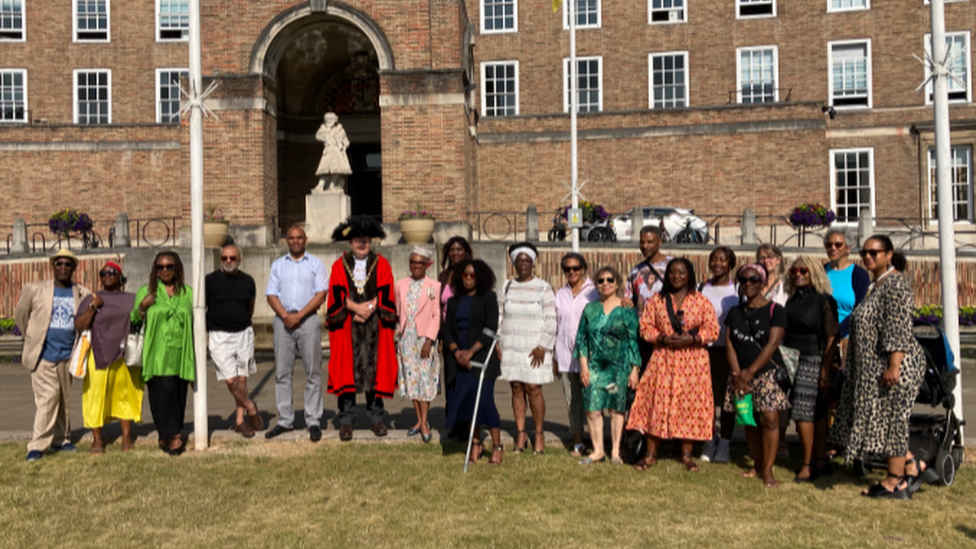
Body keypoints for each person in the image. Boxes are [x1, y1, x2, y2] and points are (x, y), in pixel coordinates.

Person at [829, 236, 926, 499]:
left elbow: (898, 328)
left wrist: (894, 365)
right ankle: (911, 464)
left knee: (893, 420)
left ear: (889, 254)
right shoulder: (876, 284)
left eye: (875, 252)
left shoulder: (895, 285)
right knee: (879, 420)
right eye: (865, 252)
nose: (868, 256)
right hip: (875, 366)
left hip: (897, 365)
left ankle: (894, 482)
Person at [628, 258, 719, 472]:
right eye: (672, 273)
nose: (676, 277)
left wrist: (693, 339)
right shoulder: (657, 301)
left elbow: (713, 329)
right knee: (655, 403)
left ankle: (686, 456)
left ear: (690, 275)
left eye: (681, 273)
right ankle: (650, 454)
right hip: (663, 359)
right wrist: (661, 339)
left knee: (689, 405)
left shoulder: (701, 301)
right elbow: (645, 327)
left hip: (693, 362)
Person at [325, 216, 398, 441]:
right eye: (358, 240)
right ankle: (346, 421)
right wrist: (355, 307)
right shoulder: (339, 265)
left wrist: (369, 307)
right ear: (350, 242)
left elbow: (386, 292)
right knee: (348, 372)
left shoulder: (382, 263)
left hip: (375, 326)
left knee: (374, 373)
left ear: (370, 241)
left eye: (365, 240)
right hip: (348, 328)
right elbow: (336, 296)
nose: (362, 243)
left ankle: (376, 419)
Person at [15, 249, 91, 462]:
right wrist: (32, 338)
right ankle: (38, 444)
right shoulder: (35, 289)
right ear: (53, 266)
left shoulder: (81, 292)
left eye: (68, 264)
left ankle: (62, 439)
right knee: (47, 399)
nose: (63, 268)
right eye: (59, 264)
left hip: (68, 355)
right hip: (43, 355)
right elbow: (21, 316)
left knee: (63, 399)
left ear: (74, 268)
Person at [723, 263, 790, 487]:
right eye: (743, 280)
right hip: (740, 373)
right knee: (748, 420)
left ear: (762, 283)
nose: (748, 284)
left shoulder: (775, 310)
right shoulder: (735, 312)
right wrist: (737, 374)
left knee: (770, 419)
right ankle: (757, 463)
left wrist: (750, 372)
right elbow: (730, 343)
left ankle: (768, 470)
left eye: (753, 279)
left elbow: (772, 343)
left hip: (766, 372)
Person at [265, 225, 328, 442]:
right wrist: (285, 316)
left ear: (305, 239)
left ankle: (313, 420)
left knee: (313, 372)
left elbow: (321, 294)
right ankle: (285, 420)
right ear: (286, 241)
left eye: (299, 237)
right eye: (291, 238)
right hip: (283, 322)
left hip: (308, 321)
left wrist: (299, 315)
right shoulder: (278, 265)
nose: (295, 241)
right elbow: (271, 295)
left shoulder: (315, 264)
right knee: (282, 373)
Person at [574, 266, 641, 465]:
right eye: (601, 281)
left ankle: (615, 452)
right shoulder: (590, 309)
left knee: (615, 409)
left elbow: (633, 341)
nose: (605, 284)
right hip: (594, 368)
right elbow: (581, 339)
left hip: (618, 369)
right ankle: (597, 451)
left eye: (610, 280)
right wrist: (584, 366)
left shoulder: (626, 309)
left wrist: (634, 369)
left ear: (618, 283)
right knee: (593, 409)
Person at [131, 251, 195, 456]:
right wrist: (143, 306)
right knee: (161, 394)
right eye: (161, 267)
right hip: (157, 352)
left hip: (180, 351)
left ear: (177, 268)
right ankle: (173, 435)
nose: (165, 270)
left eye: (169, 266)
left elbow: (195, 319)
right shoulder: (146, 291)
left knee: (178, 394)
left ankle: (169, 434)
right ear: (155, 270)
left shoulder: (187, 293)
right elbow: (134, 320)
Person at [74, 261, 141, 454]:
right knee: (96, 395)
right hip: (99, 353)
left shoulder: (132, 298)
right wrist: (93, 307)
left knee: (125, 395)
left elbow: (140, 318)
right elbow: (79, 325)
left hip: (125, 354)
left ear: (121, 277)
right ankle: (97, 439)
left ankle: (126, 438)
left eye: (112, 272)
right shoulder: (92, 298)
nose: (107, 275)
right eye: (103, 273)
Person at [783, 256, 839, 482]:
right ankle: (820, 460)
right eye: (794, 270)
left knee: (804, 412)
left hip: (812, 358)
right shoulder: (792, 300)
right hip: (791, 358)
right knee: (814, 412)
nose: (798, 274)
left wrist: (825, 371)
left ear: (814, 271)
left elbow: (832, 337)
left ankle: (807, 465)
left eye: (803, 270)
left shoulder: (824, 300)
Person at [443, 259, 504, 465]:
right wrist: (457, 352)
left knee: (485, 403)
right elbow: (448, 331)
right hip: (460, 360)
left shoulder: (488, 298)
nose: (468, 279)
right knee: (469, 405)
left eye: (473, 275)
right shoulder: (454, 301)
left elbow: (490, 329)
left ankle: (497, 446)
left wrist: (471, 351)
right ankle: (475, 444)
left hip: (481, 359)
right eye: (465, 275)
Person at [498, 241, 557, 454]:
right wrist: (498, 343)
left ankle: (538, 433)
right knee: (516, 388)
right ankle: (521, 434)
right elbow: (499, 316)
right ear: (514, 263)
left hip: (535, 347)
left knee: (534, 389)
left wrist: (543, 345)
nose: (523, 264)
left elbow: (551, 319)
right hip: (512, 345)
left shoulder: (544, 288)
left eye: (527, 260)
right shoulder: (507, 286)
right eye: (519, 260)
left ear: (533, 262)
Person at [206, 244, 263, 439]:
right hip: (219, 335)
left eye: (232, 258)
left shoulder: (248, 281)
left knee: (242, 379)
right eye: (224, 258)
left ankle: (240, 421)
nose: (228, 261)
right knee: (230, 379)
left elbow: (251, 307)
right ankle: (251, 406)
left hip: (243, 333)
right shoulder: (210, 281)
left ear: (239, 259)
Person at [395, 246, 441, 443]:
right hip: (407, 338)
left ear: (427, 265)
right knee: (411, 378)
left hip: (424, 339)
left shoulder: (434, 286)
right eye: (413, 262)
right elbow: (398, 311)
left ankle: (425, 420)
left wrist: (429, 340)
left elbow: (436, 315)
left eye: (420, 263)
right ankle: (419, 420)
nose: (416, 266)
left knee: (425, 379)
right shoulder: (400, 285)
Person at [554, 252, 598, 457]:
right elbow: (556, 325)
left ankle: (598, 442)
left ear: (583, 269)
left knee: (592, 400)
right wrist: (554, 357)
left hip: (590, 357)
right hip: (565, 356)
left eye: (576, 268)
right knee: (572, 401)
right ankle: (578, 441)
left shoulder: (594, 292)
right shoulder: (560, 295)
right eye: (567, 269)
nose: (572, 272)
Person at [698, 246, 739, 464]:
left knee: (726, 400)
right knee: (707, 399)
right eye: (713, 260)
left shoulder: (739, 289)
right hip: (705, 351)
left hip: (729, 351)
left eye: (722, 260)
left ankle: (724, 443)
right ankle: (708, 440)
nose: (717, 264)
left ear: (730, 263)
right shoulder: (701, 287)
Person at [756, 243, 790, 459]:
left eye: (770, 257)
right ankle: (762, 438)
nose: (766, 261)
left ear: (778, 260)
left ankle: (783, 440)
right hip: (757, 343)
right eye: (762, 258)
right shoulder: (754, 282)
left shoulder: (786, 284)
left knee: (780, 393)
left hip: (780, 345)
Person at [438, 235, 472, 440]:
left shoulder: (471, 273)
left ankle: (467, 424)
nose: (456, 253)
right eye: (452, 250)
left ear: (466, 252)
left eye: (459, 249)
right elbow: (439, 307)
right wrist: (441, 336)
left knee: (465, 380)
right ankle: (453, 423)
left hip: (466, 333)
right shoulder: (444, 276)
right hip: (448, 335)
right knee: (450, 379)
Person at [625, 226, 672, 369]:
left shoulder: (673, 266)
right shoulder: (636, 271)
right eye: (642, 242)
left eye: (650, 242)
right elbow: (629, 298)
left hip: (666, 334)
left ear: (660, 242)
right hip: (643, 335)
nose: (645, 246)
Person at [313, 112, 353, 192]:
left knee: (336, 169)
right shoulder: (323, 128)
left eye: (331, 119)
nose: (329, 121)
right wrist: (326, 137)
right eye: (327, 119)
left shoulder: (340, 129)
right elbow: (318, 136)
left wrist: (343, 145)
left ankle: (332, 185)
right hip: (328, 151)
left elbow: (346, 141)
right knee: (324, 169)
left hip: (337, 152)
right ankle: (320, 185)